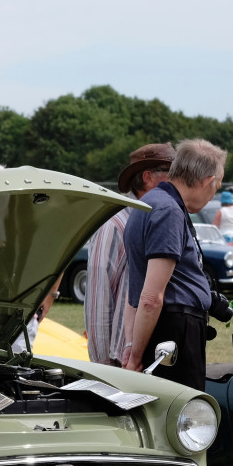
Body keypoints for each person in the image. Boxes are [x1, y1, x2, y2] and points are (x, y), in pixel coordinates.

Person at [123, 139, 226, 385]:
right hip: (174, 333)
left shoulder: (147, 203)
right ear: (208, 181)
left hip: (161, 330)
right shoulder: (168, 211)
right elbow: (150, 297)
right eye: (217, 187)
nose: (213, 196)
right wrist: (136, 356)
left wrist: (131, 344)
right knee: (178, 417)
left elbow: (134, 291)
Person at [87, 143, 174, 367]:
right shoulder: (115, 223)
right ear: (147, 177)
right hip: (121, 362)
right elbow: (99, 297)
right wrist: (102, 366)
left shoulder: (166, 219)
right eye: (172, 174)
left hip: (157, 355)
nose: (178, 181)